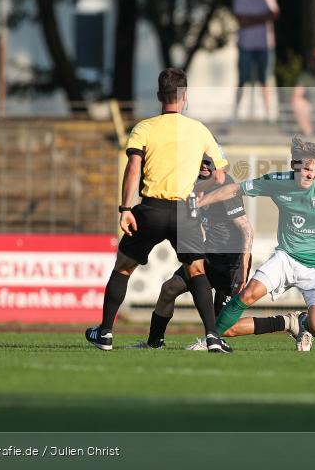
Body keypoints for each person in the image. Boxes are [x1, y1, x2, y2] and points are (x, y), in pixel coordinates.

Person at [85, 68, 233, 353]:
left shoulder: (144, 128)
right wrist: (199, 180)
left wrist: (125, 208)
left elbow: (133, 168)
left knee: (124, 268)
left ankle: (105, 333)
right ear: (185, 97)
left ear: (158, 96)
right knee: (197, 271)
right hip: (184, 212)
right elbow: (220, 176)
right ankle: (212, 336)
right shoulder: (200, 130)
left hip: (151, 209)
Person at [197, 136, 315, 351]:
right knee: (246, 297)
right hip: (287, 257)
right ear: (294, 165)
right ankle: (211, 339)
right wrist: (199, 202)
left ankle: (299, 322)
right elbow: (235, 189)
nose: (311, 174)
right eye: (307, 169)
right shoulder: (278, 182)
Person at [132, 155, 265, 351]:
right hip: (207, 256)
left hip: (231, 260)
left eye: (209, 162)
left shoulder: (225, 186)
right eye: (200, 161)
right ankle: (154, 343)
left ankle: (286, 323)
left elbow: (246, 229)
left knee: (225, 328)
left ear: (218, 164)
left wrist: (243, 266)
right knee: (169, 289)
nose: (204, 166)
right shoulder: (194, 185)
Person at [232, 0, 280, 121]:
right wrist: (263, 18)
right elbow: (241, 20)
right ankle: (236, 114)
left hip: (265, 47)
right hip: (246, 46)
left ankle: (269, 115)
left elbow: (274, 14)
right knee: (242, 80)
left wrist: (251, 20)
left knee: (265, 80)